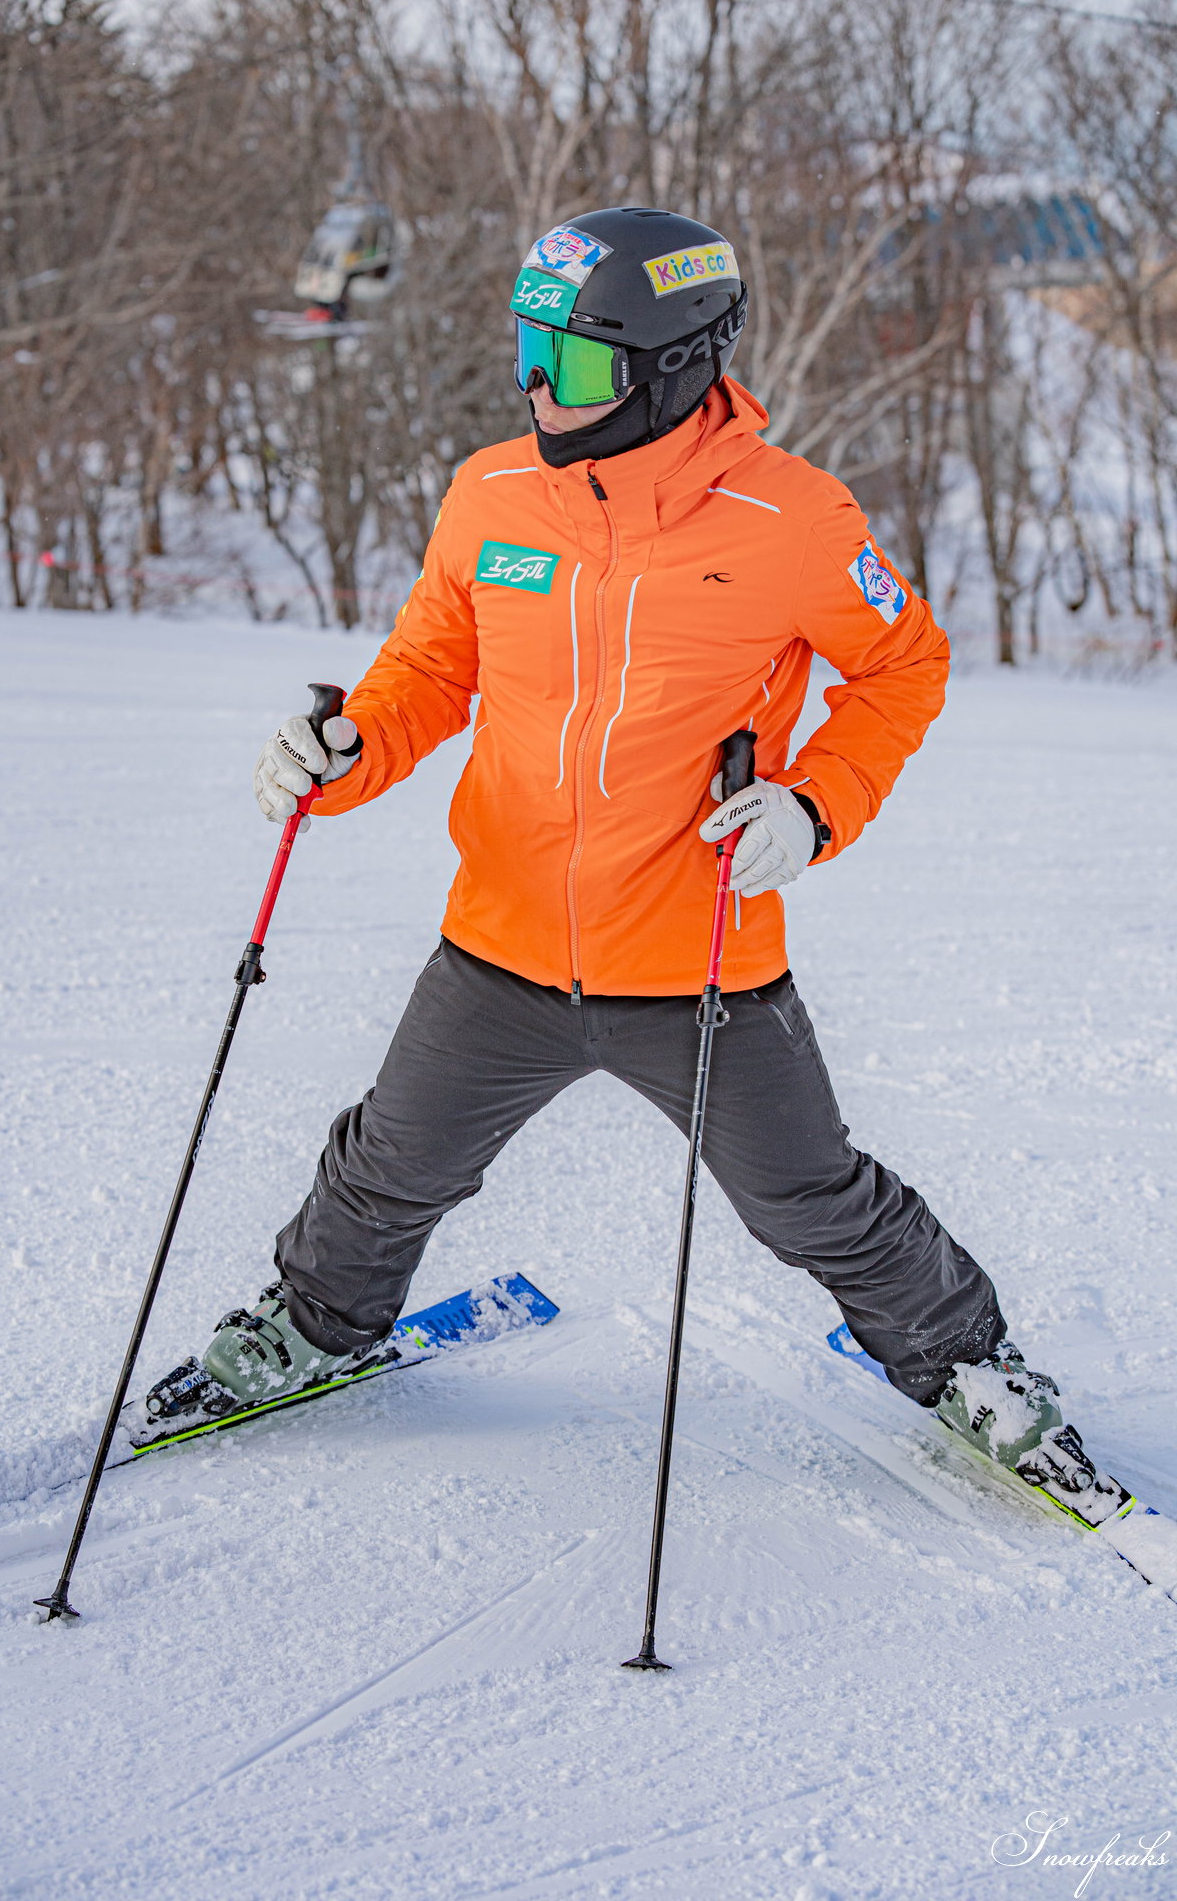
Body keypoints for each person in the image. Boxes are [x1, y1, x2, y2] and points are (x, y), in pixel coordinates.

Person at [163, 206, 1098, 1504]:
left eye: (581, 361)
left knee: (810, 1202)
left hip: (697, 961)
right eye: (529, 349)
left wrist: (815, 806)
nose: (544, 388)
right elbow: (434, 666)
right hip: (501, 944)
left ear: (671, 366)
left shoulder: (793, 516)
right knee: (388, 1167)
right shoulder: (493, 493)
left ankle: (971, 1367)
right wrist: (347, 749)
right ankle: (314, 1326)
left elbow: (903, 664)